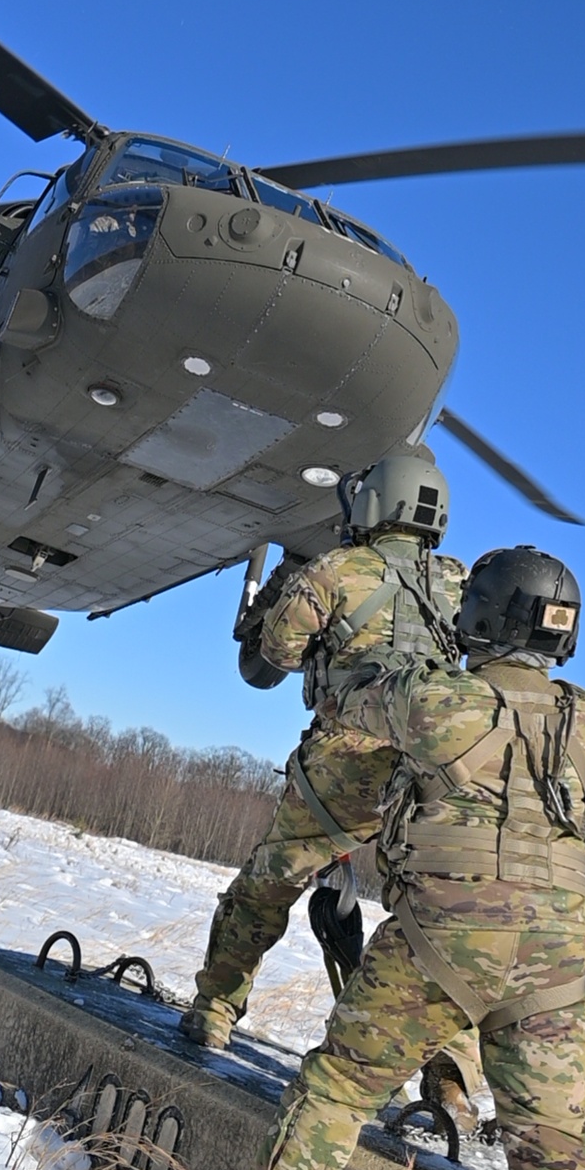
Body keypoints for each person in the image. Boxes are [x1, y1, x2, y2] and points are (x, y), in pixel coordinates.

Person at [230, 544, 585, 1170]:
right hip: (556, 965)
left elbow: (350, 699)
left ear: (486, 619)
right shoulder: (584, 718)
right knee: (556, 1158)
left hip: (444, 943)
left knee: (338, 1087)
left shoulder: (435, 702)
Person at [179, 448, 482, 1124]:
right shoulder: (458, 582)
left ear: (377, 503)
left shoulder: (339, 570)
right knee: (429, 928)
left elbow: (277, 655)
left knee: (264, 888)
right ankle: (449, 1078)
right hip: (428, 776)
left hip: (341, 773)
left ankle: (214, 1013)